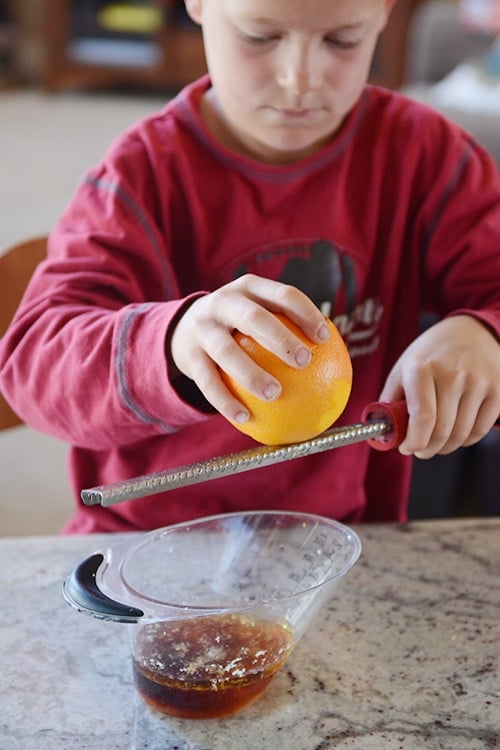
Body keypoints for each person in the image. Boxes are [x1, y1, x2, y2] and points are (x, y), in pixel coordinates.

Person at [0, 0, 499, 534]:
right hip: (147, 545)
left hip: (342, 541)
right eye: (260, 37)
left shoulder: (426, 156)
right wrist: (171, 347)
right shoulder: (140, 176)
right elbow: (32, 365)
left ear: (384, 14)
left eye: (341, 41)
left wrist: (483, 335)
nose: (300, 79)